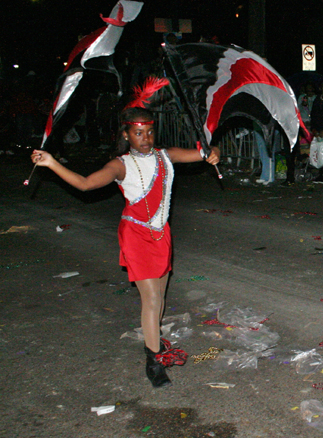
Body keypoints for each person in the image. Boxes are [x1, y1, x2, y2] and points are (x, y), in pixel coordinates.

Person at [30, 78, 221, 387]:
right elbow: (85, 184)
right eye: (138, 133)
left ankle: (154, 339)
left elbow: (206, 152)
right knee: (150, 298)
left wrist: (214, 152)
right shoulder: (121, 165)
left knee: (160, 296)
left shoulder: (166, 155)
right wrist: (51, 163)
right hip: (136, 235)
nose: (145, 138)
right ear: (126, 135)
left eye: (149, 132)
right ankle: (153, 359)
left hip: (162, 233)